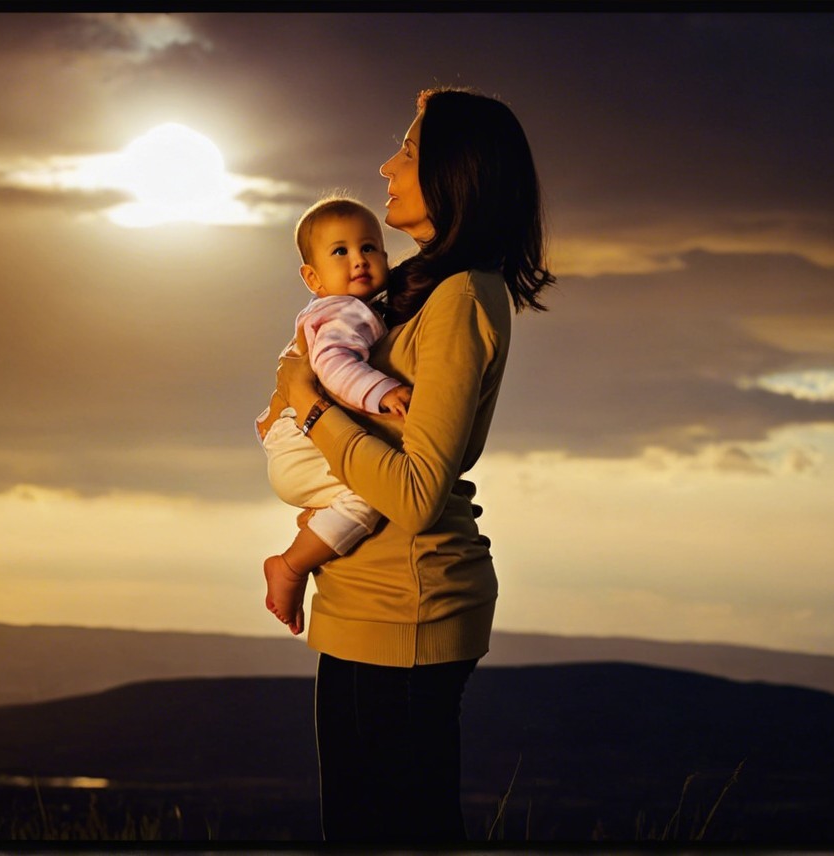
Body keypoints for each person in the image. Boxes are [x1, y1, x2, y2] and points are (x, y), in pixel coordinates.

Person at [273, 86, 555, 842]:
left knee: (392, 835)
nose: (386, 164)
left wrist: (309, 406)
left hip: (406, 604)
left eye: (408, 148)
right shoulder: (420, 289)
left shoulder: (463, 296)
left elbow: (418, 491)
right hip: (367, 598)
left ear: (452, 174)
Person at [256, 197, 412, 636]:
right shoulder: (348, 312)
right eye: (340, 252)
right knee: (369, 494)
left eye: (370, 248)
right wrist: (382, 392)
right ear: (313, 277)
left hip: (296, 443)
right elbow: (331, 364)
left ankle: (311, 542)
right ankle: (290, 565)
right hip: (304, 444)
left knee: (354, 494)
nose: (359, 260)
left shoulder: (342, 310)